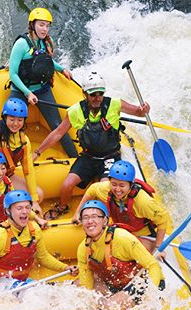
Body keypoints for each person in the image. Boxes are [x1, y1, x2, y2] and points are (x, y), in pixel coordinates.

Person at [33, 71, 151, 220]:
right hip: (88, 157)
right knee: (66, 185)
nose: (97, 98)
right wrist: (37, 152)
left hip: (110, 157)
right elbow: (58, 133)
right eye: (93, 94)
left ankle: (102, 216)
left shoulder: (114, 104)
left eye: (100, 93)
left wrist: (143, 110)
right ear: (85, 93)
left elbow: (138, 112)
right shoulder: (75, 111)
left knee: (104, 189)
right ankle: (62, 207)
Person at [8, 7, 78, 158]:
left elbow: (46, 61)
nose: (44, 29)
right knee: (10, 123)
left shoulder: (45, 42)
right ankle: (7, 159)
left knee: (58, 125)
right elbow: (12, 74)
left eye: (47, 25)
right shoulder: (21, 44)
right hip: (21, 91)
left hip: (42, 89)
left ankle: (75, 157)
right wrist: (28, 93)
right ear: (32, 25)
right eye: (41, 25)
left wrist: (61, 69)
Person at [76, 200, 164, 310]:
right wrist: (87, 303)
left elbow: (153, 266)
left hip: (139, 282)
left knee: (110, 306)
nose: (90, 221)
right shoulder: (83, 248)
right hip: (115, 284)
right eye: (85, 217)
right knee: (77, 290)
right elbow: (86, 285)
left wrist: (150, 294)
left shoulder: (122, 238)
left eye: (95, 216)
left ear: (105, 221)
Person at [72, 160, 171, 254]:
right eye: (114, 184)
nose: (117, 189)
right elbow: (92, 190)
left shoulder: (143, 202)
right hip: (121, 230)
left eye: (122, 185)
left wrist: (158, 247)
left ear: (130, 185)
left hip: (143, 235)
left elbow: (163, 219)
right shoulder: (106, 188)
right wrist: (78, 212)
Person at [0, 190, 78, 281]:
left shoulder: (34, 229)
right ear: (8, 211)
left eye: (28, 207)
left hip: (22, 282)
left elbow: (43, 257)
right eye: (19, 208)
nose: (24, 212)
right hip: (0, 284)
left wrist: (65, 268)